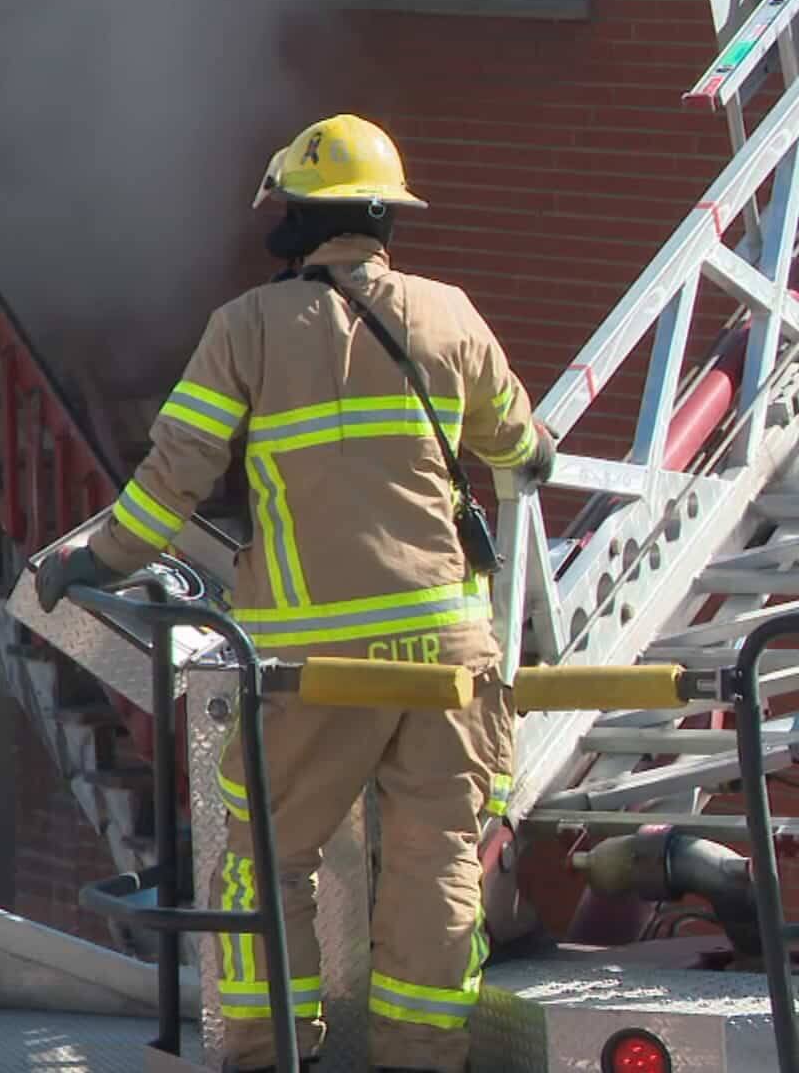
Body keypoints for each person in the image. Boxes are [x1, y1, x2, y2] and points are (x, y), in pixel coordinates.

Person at [37, 113, 554, 1073]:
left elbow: (174, 474)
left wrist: (98, 561)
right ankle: (419, 1055)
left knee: (263, 858)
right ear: (384, 218)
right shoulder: (451, 313)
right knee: (436, 861)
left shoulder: (248, 329)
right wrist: (528, 453)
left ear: (296, 222)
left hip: (316, 668)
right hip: (449, 650)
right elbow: (520, 446)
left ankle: (275, 1049)